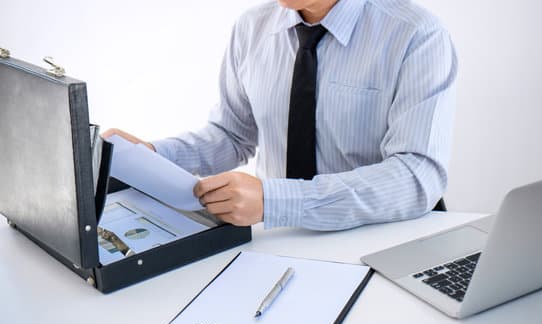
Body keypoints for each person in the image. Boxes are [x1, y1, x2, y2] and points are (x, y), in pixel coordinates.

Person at [104, 0, 457, 231]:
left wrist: (277, 201)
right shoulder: (252, 27)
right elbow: (232, 134)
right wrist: (154, 156)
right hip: (279, 236)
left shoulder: (417, 35)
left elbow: (417, 176)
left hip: (379, 237)